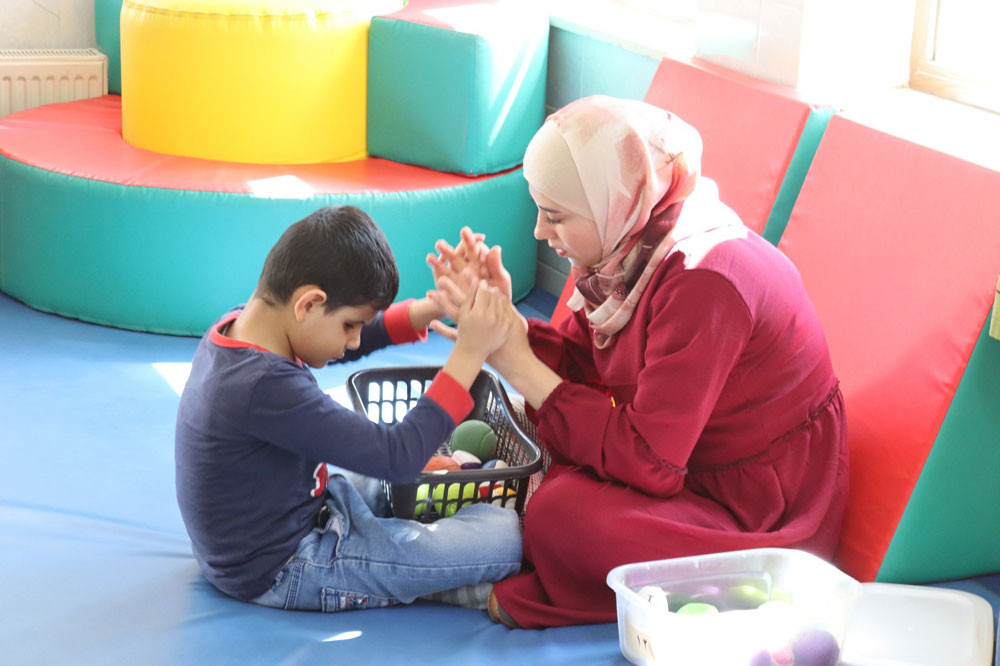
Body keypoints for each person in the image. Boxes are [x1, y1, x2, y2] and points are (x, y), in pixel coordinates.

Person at [428, 95, 850, 628]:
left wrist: (515, 362)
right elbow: (584, 364)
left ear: (617, 200)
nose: (539, 231)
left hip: (756, 509)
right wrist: (503, 326)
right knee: (547, 458)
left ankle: (563, 590)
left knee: (560, 515)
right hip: (687, 461)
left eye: (555, 215)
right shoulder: (631, 248)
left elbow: (651, 461)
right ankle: (562, 571)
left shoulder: (705, 279)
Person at [175, 205, 523, 613]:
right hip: (286, 567)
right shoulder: (264, 386)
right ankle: (433, 585)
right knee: (505, 536)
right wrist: (470, 351)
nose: (355, 341)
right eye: (350, 326)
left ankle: (411, 574)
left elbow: (333, 340)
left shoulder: (249, 326)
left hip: (296, 508)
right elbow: (398, 458)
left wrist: (436, 308)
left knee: (422, 490)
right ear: (309, 304)